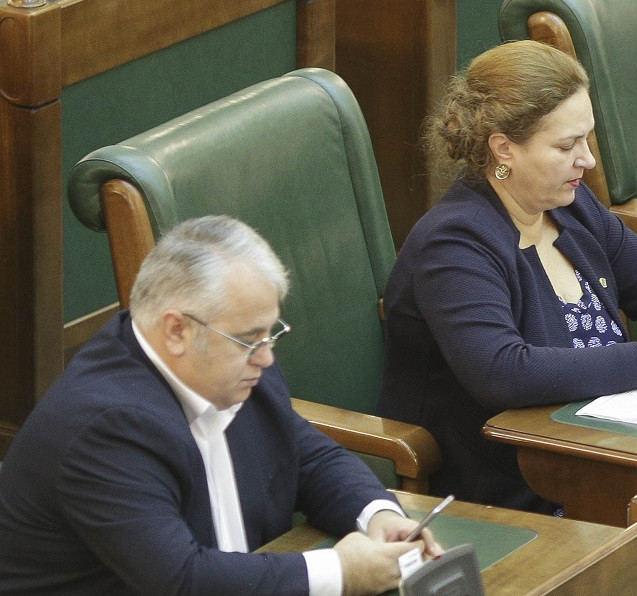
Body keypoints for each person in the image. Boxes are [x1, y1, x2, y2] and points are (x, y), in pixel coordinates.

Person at [379, 41, 637, 511]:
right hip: (512, 485)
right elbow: (502, 372)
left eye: (587, 139)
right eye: (566, 145)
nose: (588, 160)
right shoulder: (453, 244)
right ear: (503, 148)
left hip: (612, 447)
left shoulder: (569, 207)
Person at [0, 215, 438, 594]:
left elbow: (305, 455)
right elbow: (182, 580)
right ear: (176, 331)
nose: (267, 357)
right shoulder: (106, 428)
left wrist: (376, 514)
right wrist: (339, 573)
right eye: (250, 340)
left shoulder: (237, 370)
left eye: (270, 334)